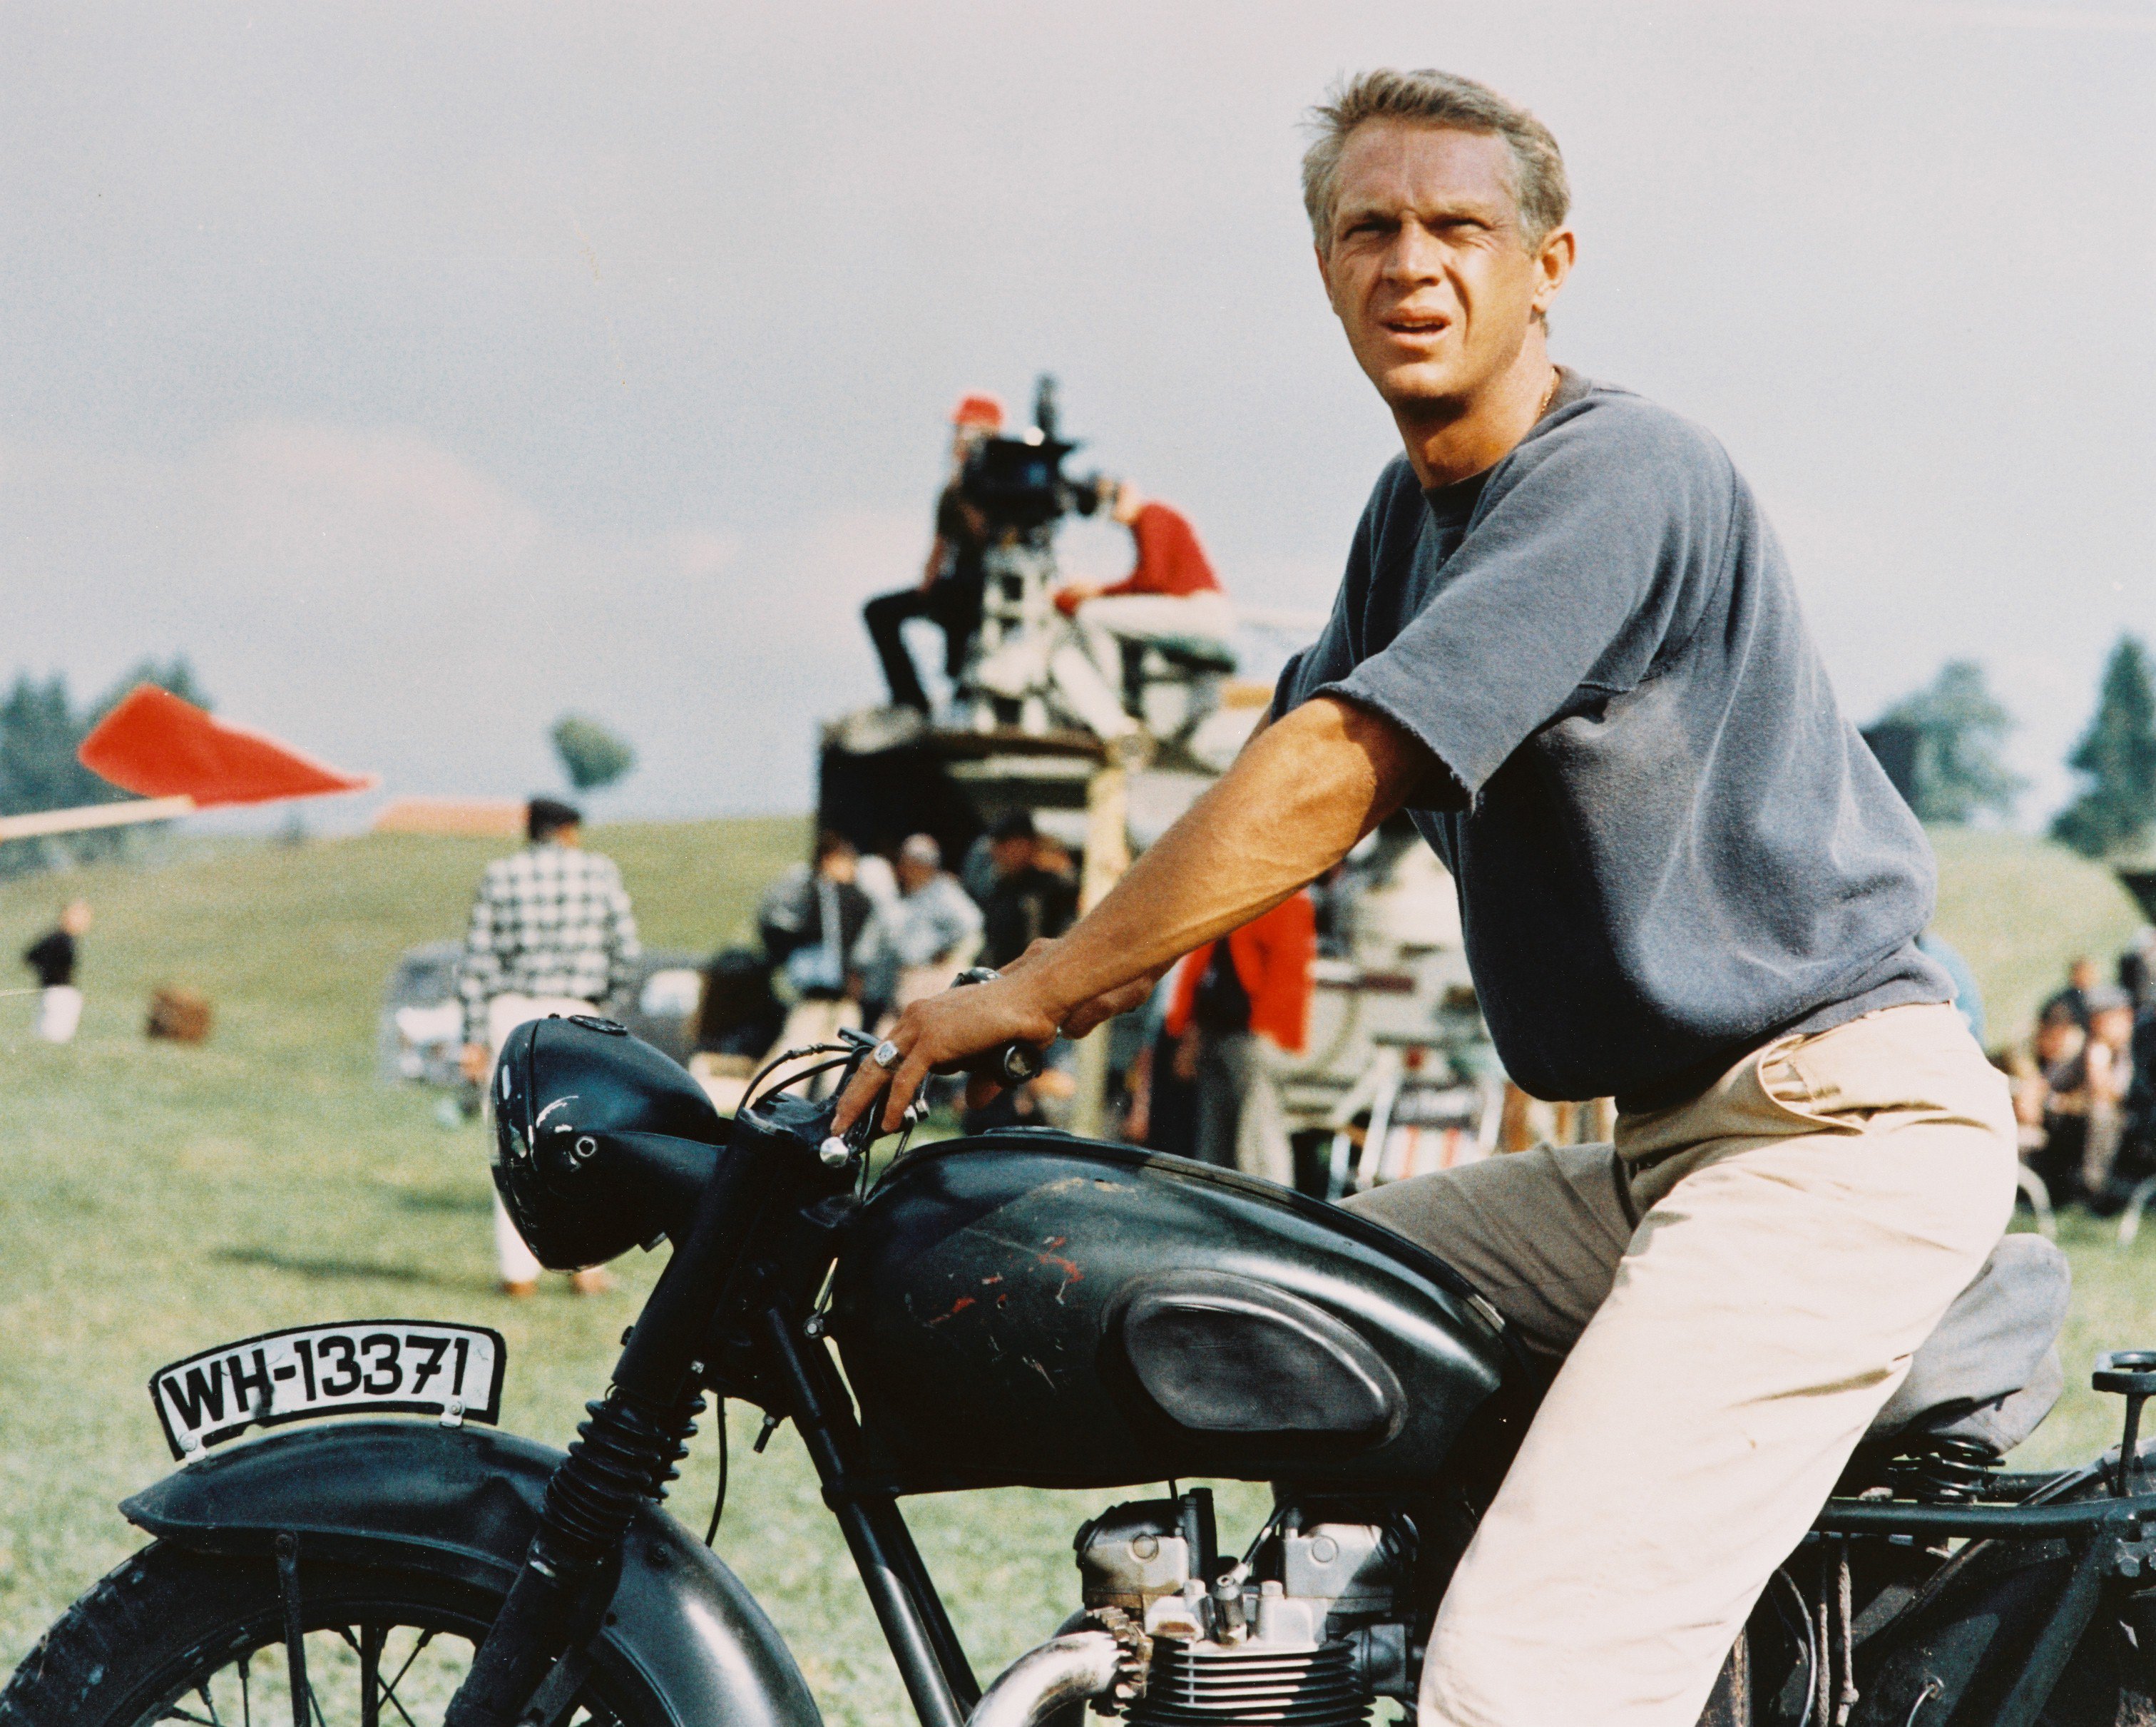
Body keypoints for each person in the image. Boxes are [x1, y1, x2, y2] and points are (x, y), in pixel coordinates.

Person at [837, 68, 2016, 1727]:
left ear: (1547, 263)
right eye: (1366, 227)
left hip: (1829, 1136)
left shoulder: (1619, 474)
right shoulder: (1411, 516)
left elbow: (1336, 765)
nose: (1410, 262)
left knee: (1524, 1676)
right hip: (1664, 1143)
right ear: (1321, 267)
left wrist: (1038, 988)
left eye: (1458, 225)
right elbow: (1261, 787)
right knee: (1245, 1294)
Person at [458, 798, 639, 1298]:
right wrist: (608, 1009)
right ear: (567, 829)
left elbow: (476, 962)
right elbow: (625, 951)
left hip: (512, 1013)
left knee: (512, 1145)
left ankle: (518, 1273)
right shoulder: (599, 872)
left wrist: (473, 1035)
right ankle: (587, 1265)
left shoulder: (501, 874)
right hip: (579, 1011)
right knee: (587, 1142)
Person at [1162, 887, 1316, 1183]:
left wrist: (1266, 1035)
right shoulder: (1230, 898)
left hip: (1254, 1038)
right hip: (1215, 1034)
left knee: (1258, 1137)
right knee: (1214, 1143)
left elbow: (1288, 974)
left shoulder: (1289, 901)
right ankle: (1217, 1213)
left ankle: (1271, 1214)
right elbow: (1199, 968)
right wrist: (1186, 1030)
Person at [862, 394, 1003, 716]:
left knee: (964, 611)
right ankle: (910, 701)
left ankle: (965, 696)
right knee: (879, 612)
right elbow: (939, 547)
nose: (955, 438)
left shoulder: (998, 485)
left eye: (962, 431)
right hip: (957, 584)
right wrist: (927, 590)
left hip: (985, 585)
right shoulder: (952, 490)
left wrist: (969, 485)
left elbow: (989, 537)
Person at [757, 830, 878, 1079]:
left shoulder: (843, 896)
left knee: (826, 1051)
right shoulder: (817, 893)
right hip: (825, 989)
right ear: (828, 860)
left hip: (833, 990)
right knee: (816, 1049)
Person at [862, 833, 984, 1015]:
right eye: (909, 861)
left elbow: (971, 921)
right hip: (906, 980)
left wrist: (942, 950)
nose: (912, 868)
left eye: (920, 862)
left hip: (932, 977)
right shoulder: (903, 898)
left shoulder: (944, 890)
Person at [976, 810, 1078, 971]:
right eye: (997, 844)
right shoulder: (998, 888)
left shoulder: (1052, 888)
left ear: (1029, 844)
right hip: (1002, 979)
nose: (999, 851)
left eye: (1007, 844)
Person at [22, 899, 91, 1044]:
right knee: (56, 1036)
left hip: (50, 990)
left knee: (46, 1033)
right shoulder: (62, 939)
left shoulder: (55, 937)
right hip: (60, 992)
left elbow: (31, 956)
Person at [2040, 955, 2100, 1030]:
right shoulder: (2061, 1001)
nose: (2086, 976)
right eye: (2081, 972)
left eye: (2090, 973)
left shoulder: (2103, 999)